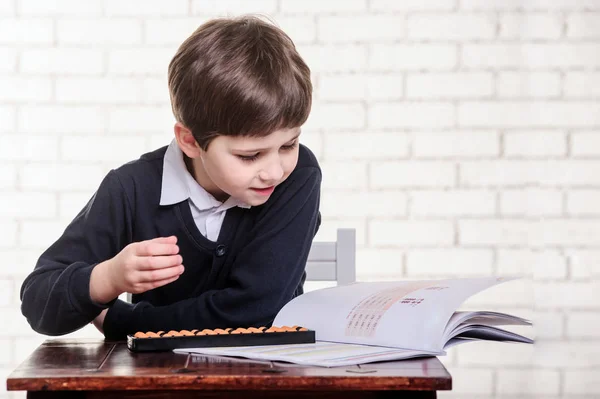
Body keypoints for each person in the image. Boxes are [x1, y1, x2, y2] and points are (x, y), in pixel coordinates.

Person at [20, 15, 320, 340]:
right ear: (190, 141)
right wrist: (109, 277)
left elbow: (257, 310)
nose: (275, 171)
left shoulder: (298, 176)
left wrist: (124, 322)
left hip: (268, 381)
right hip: (158, 385)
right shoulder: (131, 188)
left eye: (289, 144)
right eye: (249, 156)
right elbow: (38, 304)